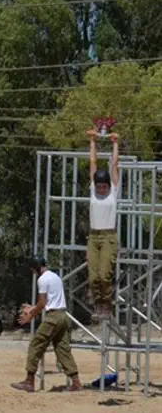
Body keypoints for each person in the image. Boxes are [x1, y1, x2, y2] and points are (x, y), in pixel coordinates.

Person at [11, 257, 82, 392]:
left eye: (33, 270)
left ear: (36, 268)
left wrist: (31, 314)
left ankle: (29, 381)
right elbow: (49, 301)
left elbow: (43, 303)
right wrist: (33, 308)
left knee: (35, 345)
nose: (33, 273)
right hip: (63, 316)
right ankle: (76, 381)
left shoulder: (42, 280)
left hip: (53, 317)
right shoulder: (55, 277)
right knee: (62, 349)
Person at [87, 129, 119, 322]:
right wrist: (92, 141)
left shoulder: (113, 193)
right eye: (98, 186)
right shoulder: (92, 191)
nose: (100, 189)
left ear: (108, 185)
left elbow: (114, 164)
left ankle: (107, 304)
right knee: (93, 277)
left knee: (105, 275)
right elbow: (93, 163)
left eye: (103, 186)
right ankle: (98, 304)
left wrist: (115, 143)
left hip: (108, 236)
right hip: (93, 236)